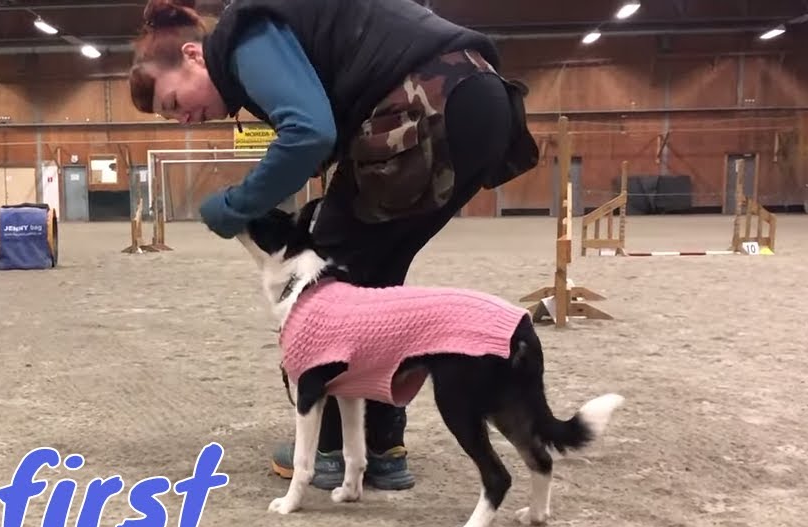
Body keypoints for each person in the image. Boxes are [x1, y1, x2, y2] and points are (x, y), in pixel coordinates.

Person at [128, 0, 540, 491]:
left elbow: (308, 134)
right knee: (375, 280)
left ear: (194, 55)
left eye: (174, 102)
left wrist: (237, 204)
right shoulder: (261, 45)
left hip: (431, 102)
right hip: (482, 103)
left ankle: (327, 448)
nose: (183, 120)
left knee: (324, 280)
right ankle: (381, 447)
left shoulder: (242, 38)